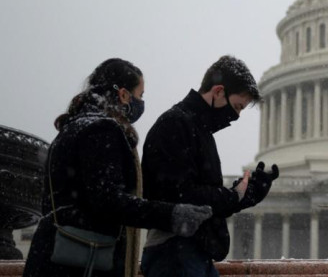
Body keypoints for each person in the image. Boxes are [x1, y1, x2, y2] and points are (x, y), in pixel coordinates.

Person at [23, 58, 213, 277]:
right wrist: (171, 214)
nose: (141, 102)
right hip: (82, 261)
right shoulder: (102, 130)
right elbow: (109, 201)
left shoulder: (72, 128)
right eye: (140, 95)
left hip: (54, 254)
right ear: (123, 95)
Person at [140, 55, 278, 277]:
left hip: (194, 250)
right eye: (236, 107)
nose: (236, 117)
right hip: (175, 249)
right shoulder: (176, 124)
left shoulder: (197, 130)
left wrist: (245, 194)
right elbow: (182, 194)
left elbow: (202, 198)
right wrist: (233, 197)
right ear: (218, 91)